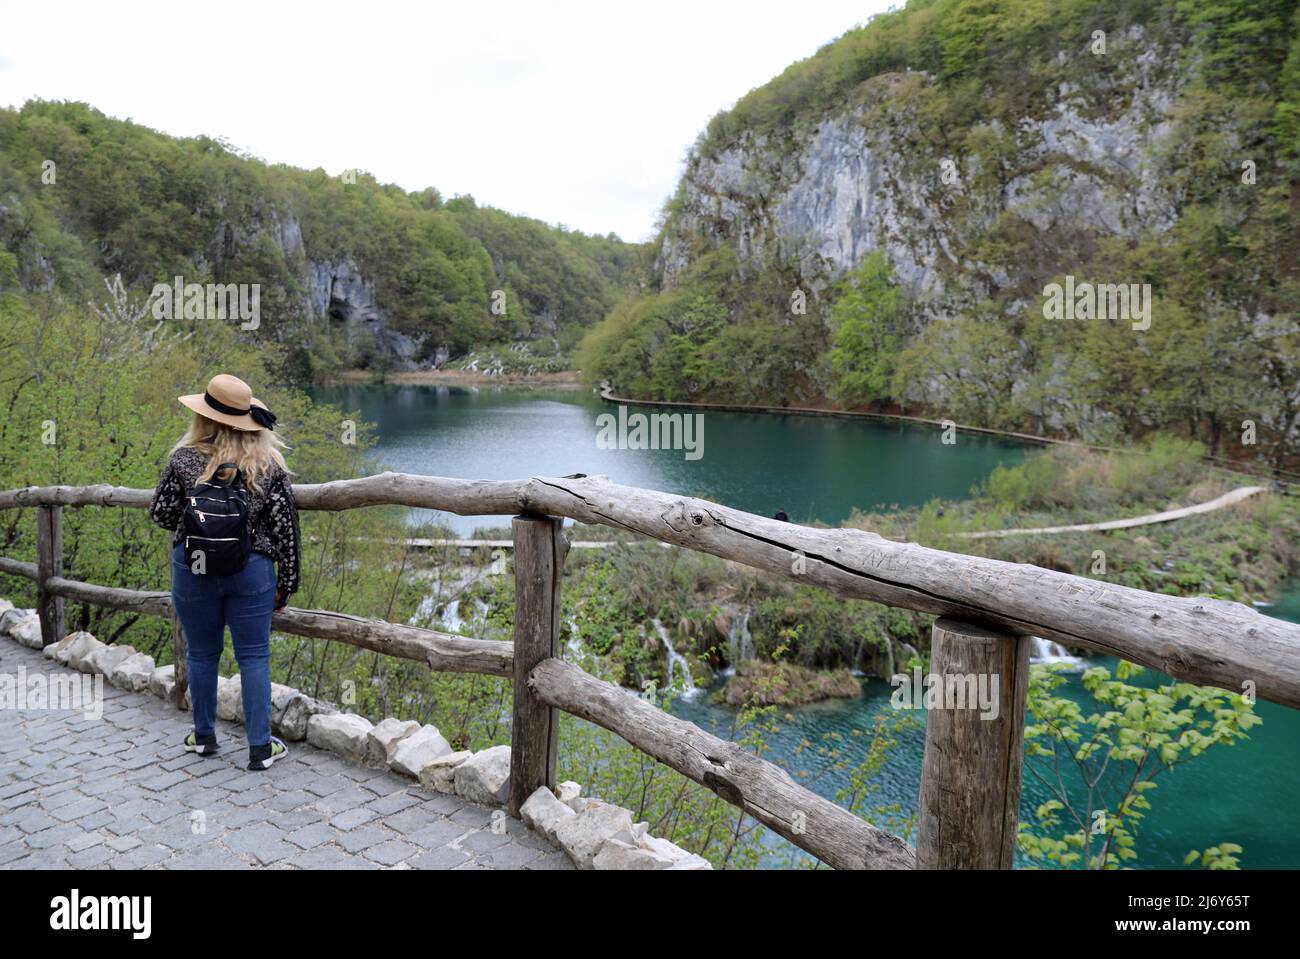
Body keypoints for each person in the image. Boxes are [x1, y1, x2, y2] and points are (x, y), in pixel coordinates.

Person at [149, 374, 301, 770]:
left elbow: (161, 514)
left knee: (201, 654)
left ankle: (203, 738)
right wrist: (287, 584)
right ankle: (259, 749)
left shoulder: (184, 460)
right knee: (253, 657)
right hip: (251, 570)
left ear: (203, 417)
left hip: (194, 567)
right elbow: (286, 530)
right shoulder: (267, 464)